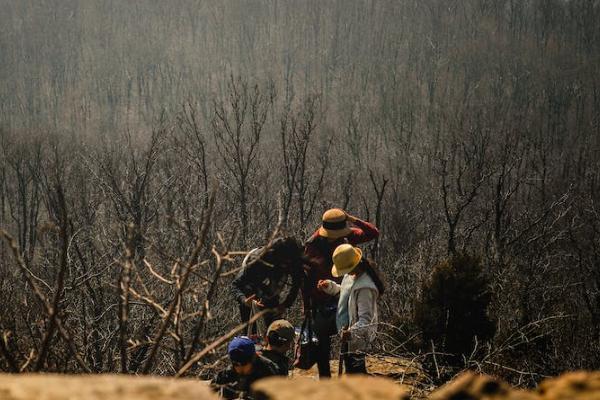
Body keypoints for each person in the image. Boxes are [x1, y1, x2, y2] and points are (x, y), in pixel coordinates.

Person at [302, 208, 379, 378]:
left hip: (347, 295)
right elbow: (305, 279)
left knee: (352, 342)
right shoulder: (313, 245)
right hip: (325, 298)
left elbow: (373, 232)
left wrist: (353, 220)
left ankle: (355, 376)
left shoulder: (347, 238)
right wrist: (307, 304)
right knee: (322, 342)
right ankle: (326, 379)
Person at [317, 244, 384, 374]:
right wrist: (329, 287)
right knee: (352, 370)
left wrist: (351, 333)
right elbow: (345, 294)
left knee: (356, 371)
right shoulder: (351, 276)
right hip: (347, 335)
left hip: (357, 339)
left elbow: (366, 319)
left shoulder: (365, 288)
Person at [232, 237, 304, 333]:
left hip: (272, 301)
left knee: (274, 336)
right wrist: (244, 300)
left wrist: (286, 304)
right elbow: (235, 285)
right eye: (285, 262)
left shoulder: (293, 259)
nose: (287, 265)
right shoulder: (257, 259)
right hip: (250, 302)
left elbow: (297, 283)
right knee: (252, 339)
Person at [211, 336, 278, 399]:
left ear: (253, 358)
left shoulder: (268, 372)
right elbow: (209, 390)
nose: (240, 368)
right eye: (236, 364)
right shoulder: (227, 374)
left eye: (244, 363)